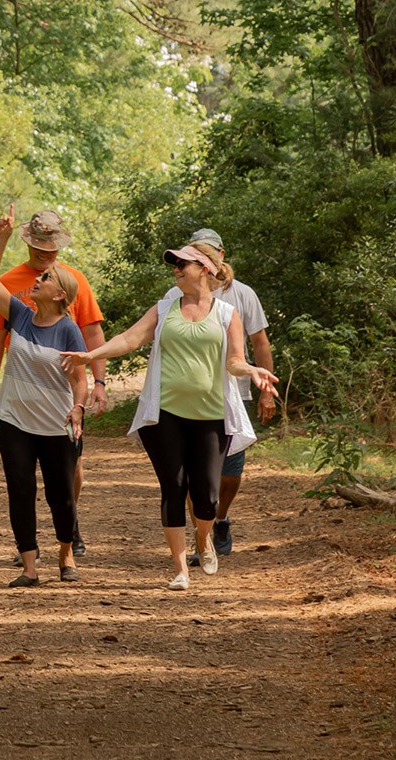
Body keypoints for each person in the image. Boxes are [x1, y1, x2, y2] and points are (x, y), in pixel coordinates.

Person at [65, 241, 278, 591]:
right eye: (174, 264)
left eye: (184, 263)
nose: (176, 268)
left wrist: (252, 371)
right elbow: (130, 339)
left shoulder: (226, 314)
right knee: (174, 488)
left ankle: (204, 537)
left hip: (211, 416)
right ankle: (180, 568)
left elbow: (234, 360)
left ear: (205, 269)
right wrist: (92, 356)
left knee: (207, 496)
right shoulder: (164, 309)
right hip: (164, 416)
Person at [0, 209, 106, 549]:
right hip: (21, 389)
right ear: (29, 246)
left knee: (69, 471)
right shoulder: (12, 284)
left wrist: (99, 384)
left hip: (63, 392)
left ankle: (69, 526)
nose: (47, 256)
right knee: (21, 480)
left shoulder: (72, 280)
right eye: (40, 250)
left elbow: (92, 333)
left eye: (53, 250)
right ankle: (30, 549)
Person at [160, 228, 273, 564]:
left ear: (219, 257)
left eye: (209, 252)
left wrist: (263, 389)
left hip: (232, 397)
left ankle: (220, 518)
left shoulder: (242, 295)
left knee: (229, 474)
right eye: (194, 253)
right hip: (187, 403)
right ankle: (201, 539)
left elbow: (260, 343)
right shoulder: (174, 294)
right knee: (198, 476)